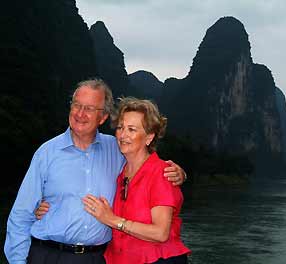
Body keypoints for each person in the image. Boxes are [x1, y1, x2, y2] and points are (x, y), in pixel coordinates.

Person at [4, 79, 186, 264]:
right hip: (49, 254)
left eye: (90, 108)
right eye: (77, 105)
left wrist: (178, 172)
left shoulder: (117, 150)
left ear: (103, 117)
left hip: (98, 257)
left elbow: (146, 162)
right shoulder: (47, 153)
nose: (81, 114)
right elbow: (21, 215)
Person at [82, 97, 190, 263]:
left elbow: (160, 233)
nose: (123, 135)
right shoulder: (120, 171)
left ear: (149, 137)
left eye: (132, 129)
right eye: (120, 127)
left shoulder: (161, 173)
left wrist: (112, 220)